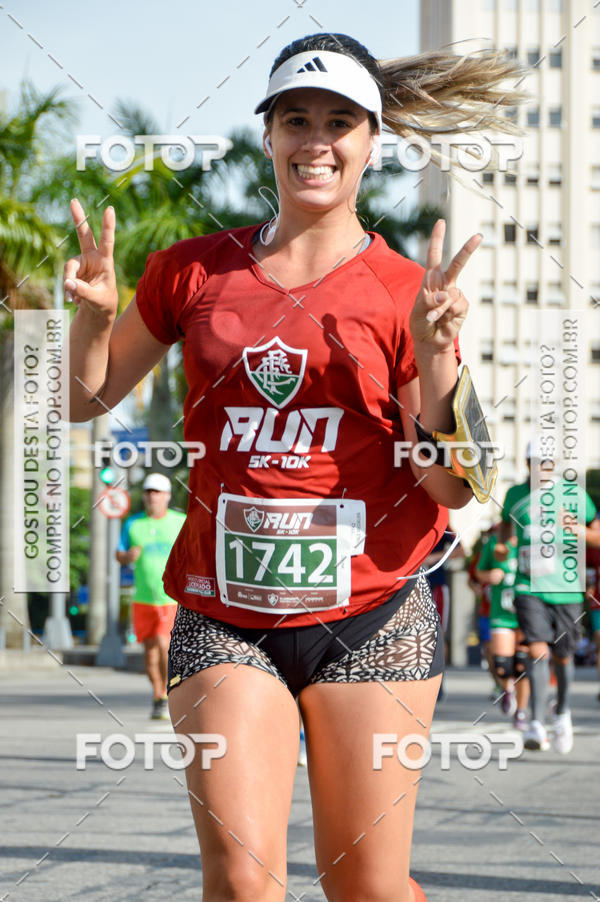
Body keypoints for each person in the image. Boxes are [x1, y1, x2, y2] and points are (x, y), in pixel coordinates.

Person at [66, 33, 523, 902]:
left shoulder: (403, 291)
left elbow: (455, 487)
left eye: (339, 122)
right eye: (296, 120)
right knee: (240, 881)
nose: (316, 140)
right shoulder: (190, 271)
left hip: (372, 612)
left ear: (372, 141)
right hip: (222, 612)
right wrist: (91, 320)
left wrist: (437, 360)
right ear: (269, 135)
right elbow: (85, 402)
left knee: (367, 889)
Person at [497, 454, 597, 754]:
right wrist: (504, 547)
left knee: (563, 658)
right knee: (537, 650)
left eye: (549, 463)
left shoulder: (575, 495)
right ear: (528, 463)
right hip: (528, 587)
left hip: (567, 590)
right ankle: (537, 723)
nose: (543, 468)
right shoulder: (515, 494)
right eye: (537, 462)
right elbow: (505, 529)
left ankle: (562, 711)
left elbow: (597, 534)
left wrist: (580, 531)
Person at [116, 473, 185, 719]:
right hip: (143, 598)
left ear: (167, 496)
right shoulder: (133, 524)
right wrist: (127, 557)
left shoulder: (180, 521)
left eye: (157, 492)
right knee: (149, 654)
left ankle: (167, 694)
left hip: (171, 598)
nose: (152, 497)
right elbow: (119, 553)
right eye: (148, 492)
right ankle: (158, 695)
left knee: (163, 642)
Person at [475, 529, 530, 729]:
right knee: (502, 664)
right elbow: (478, 572)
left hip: (527, 613)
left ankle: (522, 711)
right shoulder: (494, 543)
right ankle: (507, 689)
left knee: (523, 665)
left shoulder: (533, 541)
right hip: (502, 613)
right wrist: (489, 575)